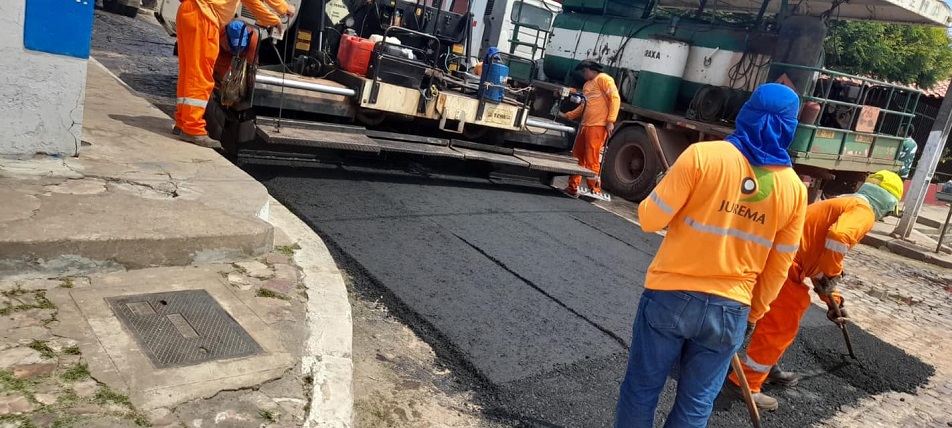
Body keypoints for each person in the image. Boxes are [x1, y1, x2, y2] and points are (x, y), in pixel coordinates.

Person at [614, 83, 808, 428]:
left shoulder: (703, 156)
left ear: (747, 113)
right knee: (697, 402)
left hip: (670, 296)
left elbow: (649, 219)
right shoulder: (794, 189)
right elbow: (779, 266)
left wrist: (667, 183)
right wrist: (754, 314)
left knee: (642, 389)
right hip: (731, 308)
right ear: (791, 127)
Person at [724, 170, 904, 410]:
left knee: (772, 317)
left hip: (781, 257)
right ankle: (744, 382)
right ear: (887, 203)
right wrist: (833, 273)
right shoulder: (864, 211)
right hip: (786, 263)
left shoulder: (843, 203)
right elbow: (838, 238)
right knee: (781, 324)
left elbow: (817, 262)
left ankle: (766, 367)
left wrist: (833, 301)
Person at [173, 0, 295, 148]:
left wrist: (270, 17)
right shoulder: (227, 33)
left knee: (188, 72)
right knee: (200, 76)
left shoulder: (246, 39)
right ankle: (192, 128)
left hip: (189, 11)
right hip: (204, 16)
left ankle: (183, 121)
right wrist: (281, 10)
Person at [558, 60, 620, 200]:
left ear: (592, 70)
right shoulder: (587, 85)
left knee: (592, 158)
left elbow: (615, 99)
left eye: (584, 71)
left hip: (597, 126)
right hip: (585, 126)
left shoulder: (604, 79)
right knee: (577, 157)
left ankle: (594, 190)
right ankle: (572, 187)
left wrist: (610, 120)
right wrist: (568, 115)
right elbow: (584, 106)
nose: (583, 74)